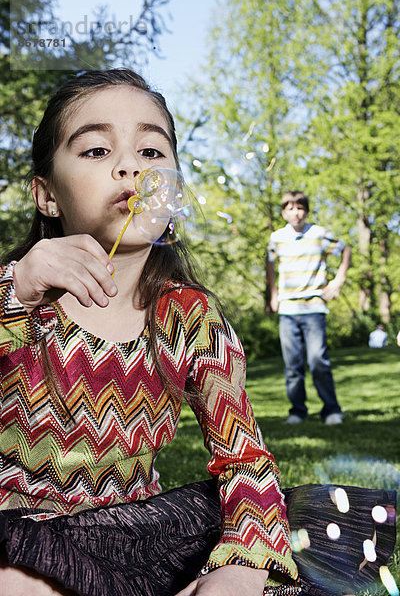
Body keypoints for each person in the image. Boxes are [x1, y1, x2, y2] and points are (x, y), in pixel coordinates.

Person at [0, 70, 396, 596]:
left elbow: (244, 459)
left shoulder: (189, 317)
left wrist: (240, 567)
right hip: (19, 529)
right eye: (97, 150)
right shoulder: (20, 298)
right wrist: (17, 288)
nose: (130, 167)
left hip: (133, 536)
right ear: (46, 195)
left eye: (152, 152)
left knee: (266, 530)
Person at [266, 191, 352, 426]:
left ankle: (331, 410)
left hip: (314, 307)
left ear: (307, 210)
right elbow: (270, 263)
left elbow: (345, 249)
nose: (296, 213)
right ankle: (297, 411)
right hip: (288, 310)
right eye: (290, 208)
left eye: (300, 208)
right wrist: (273, 294)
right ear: (284, 212)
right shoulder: (277, 238)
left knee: (317, 360)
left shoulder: (319, 234)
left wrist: (338, 281)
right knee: (293, 365)